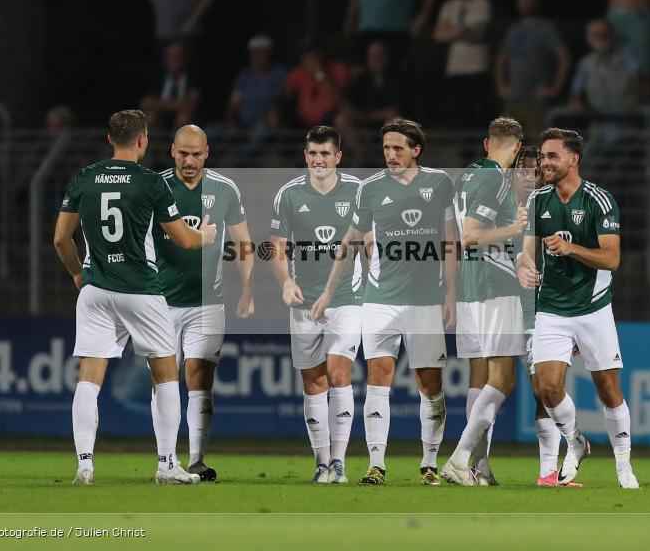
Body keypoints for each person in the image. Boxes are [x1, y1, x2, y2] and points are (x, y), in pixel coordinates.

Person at [53, 109, 216, 486]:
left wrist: (78, 272)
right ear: (143, 140)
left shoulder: (85, 178)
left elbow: (61, 239)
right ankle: (166, 464)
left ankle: (84, 465)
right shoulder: (150, 183)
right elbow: (184, 239)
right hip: (141, 290)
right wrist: (206, 236)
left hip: (95, 290)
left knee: (88, 381)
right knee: (164, 376)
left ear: (110, 139)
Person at [311, 118, 457, 486]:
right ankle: (376, 464)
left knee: (430, 384)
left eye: (397, 148)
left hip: (425, 301)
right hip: (379, 300)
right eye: (386, 148)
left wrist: (452, 293)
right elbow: (351, 241)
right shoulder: (370, 189)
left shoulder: (440, 183)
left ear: (415, 150)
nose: (390, 155)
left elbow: (451, 241)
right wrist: (329, 291)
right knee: (378, 380)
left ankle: (429, 463)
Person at [516, 127, 639, 489]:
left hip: (593, 307)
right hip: (551, 308)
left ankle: (623, 466)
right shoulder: (538, 200)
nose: (544, 163)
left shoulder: (599, 201)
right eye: (542, 157)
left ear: (574, 159)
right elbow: (526, 249)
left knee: (608, 388)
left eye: (553, 156)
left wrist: (572, 249)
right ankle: (576, 443)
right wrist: (524, 267)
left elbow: (612, 259)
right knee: (547, 389)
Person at [153, 124, 255, 482]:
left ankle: (196, 460)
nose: (189, 161)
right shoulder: (157, 186)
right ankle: (166, 459)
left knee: (199, 377)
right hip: (161, 304)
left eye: (196, 154)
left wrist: (247, 287)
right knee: (165, 381)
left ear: (207, 153)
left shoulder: (225, 189)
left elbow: (243, 241)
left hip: (207, 304)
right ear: (172, 152)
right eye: (183, 153)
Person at [268, 126, 363, 484]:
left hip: (348, 299)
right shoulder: (289, 195)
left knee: (339, 374)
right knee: (312, 382)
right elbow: (276, 246)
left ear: (338, 156)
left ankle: (339, 462)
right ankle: (322, 462)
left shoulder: (357, 191)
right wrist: (286, 282)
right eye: (312, 153)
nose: (318, 160)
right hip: (304, 301)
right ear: (305, 155)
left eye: (325, 153)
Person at [440, 117, 527, 487]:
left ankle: (480, 465)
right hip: (495, 284)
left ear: (486, 142)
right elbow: (470, 236)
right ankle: (461, 457)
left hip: (471, 289)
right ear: (518, 147)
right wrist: (514, 228)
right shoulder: (494, 179)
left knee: (480, 377)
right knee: (504, 378)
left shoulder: (467, 176)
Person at [512, 146, 584, 488]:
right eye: (525, 174)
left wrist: (577, 322)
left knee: (545, 388)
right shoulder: (514, 214)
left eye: (536, 173)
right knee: (495, 386)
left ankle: (547, 473)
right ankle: (469, 461)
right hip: (510, 311)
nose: (533, 179)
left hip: (549, 312)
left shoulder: (555, 211)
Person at [496, 0, 570, 139]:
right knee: (508, 144)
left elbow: (563, 57)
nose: (525, 3)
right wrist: (501, 85)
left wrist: (555, 88)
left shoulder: (546, 28)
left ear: (536, 2)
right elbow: (502, 59)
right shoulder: (513, 30)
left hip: (536, 99)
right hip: (513, 98)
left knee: (536, 144)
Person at [434, 0, 492, 128]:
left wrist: (452, 31)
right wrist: (462, 31)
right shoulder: (448, 6)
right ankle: (464, 151)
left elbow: (479, 31)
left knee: (480, 111)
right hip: (455, 67)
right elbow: (438, 35)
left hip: (476, 66)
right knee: (460, 113)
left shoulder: (482, 2)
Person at [334, 41, 405, 146]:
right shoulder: (360, 79)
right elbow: (346, 104)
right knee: (341, 120)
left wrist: (365, 116)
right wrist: (358, 115)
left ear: (387, 58)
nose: (375, 61)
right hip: (361, 123)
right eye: (372, 57)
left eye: (379, 57)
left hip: (383, 123)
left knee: (396, 122)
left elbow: (393, 111)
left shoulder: (398, 80)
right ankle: (360, 156)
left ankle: (388, 159)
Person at [570, 19, 641, 114]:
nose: (601, 38)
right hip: (598, 122)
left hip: (626, 119)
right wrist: (575, 101)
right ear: (588, 38)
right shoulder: (585, 63)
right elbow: (576, 89)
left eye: (604, 34)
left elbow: (636, 79)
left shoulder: (626, 56)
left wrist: (637, 100)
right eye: (596, 35)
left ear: (612, 35)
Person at [224, 35, 287, 132]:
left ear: (270, 54)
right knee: (212, 130)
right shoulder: (245, 75)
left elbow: (282, 100)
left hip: (266, 125)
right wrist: (231, 122)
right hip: (242, 124)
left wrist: (273, 115)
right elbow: (234, 104)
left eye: (261, 53)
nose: (257, 57)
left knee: (260, 133)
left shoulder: (279, 73)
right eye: (254, 53)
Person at [284, 41, 349, 127]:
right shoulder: (298, 73)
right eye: (307, 55)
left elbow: (339, 100)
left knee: (340, 119)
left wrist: (320, 74)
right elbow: (286, 97)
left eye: (314, 54)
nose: (311, 58)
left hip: (330, 118)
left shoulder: (337, 69)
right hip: (303, 120)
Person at [141, 41, 203, 129]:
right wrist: (179, 104)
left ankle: (181, 142)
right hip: (161, 114)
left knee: (184, 117)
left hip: (183, 116)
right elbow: (146, 103)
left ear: (185, 58)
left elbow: (192, 105)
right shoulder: (158, 76)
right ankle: (154, 142)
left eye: (178, 57)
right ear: (165, 59)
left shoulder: (193, 77)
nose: (175, 60)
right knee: (150, 117)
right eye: (172, 57)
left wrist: (160, 104)